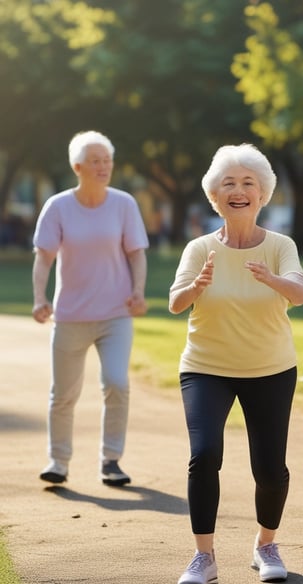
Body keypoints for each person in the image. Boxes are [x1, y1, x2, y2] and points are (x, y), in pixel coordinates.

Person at [169, 144, 303, 584]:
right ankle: (204, 556)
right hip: (205, 367)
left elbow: (301, 293)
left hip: (270, 369)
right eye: (228, 183)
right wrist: (196, 287)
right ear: (215, 195)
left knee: (269, 469)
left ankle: (266, 544)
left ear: (262, 194)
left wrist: (274, 279)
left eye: (248, 183)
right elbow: (175, 303)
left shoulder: (280, 246)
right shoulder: (199, 249)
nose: (238, 190)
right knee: (204, 454)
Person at [32, 130, 149, 487]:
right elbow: (43, 258)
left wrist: (138, 291)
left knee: (116, 382)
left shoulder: (124, 204)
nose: (103, 167)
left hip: (115, 314)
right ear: (77, 167)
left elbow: (136, 254)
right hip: (70, 316)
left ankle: (111, 461)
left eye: (107, 161)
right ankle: (58, 461)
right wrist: (39, 298)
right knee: (64, 393)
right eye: (95, 161)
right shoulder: (58, 207)